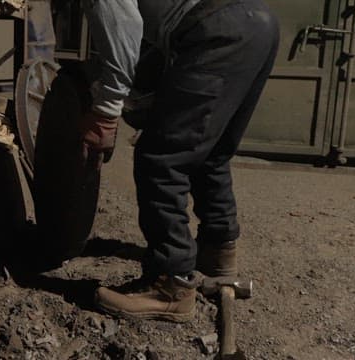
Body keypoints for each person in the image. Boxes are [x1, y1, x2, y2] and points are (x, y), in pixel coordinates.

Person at [80, 0, 279, 322]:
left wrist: (106, 111)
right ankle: (218, 251)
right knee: (211, 152)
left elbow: (123, 28)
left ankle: (172, 285)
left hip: (216, 29)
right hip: (257, 21)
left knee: (160, 159)